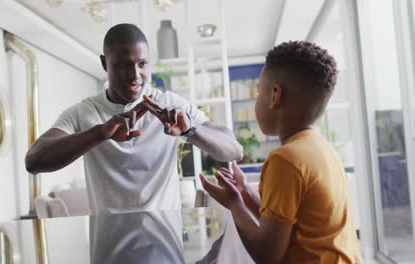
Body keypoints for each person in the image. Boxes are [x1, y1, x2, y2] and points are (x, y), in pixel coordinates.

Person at [25, 23, 242, 214]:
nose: (135, 75)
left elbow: (234, 150)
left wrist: (190, 131)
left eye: (142, 64)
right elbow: (34, 160)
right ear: (104, 63)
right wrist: (100, 133)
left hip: (164, 239)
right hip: (108, 243)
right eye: (123, 65)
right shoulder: (84, 112)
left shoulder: (169, 105)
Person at [200, 41, 362, 263]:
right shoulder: (323, 149)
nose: (257, 98)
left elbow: (268, 256)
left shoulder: (286, 160)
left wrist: (234, 205)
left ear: (275, 95)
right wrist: (246, 195)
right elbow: (287, 226)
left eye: (259, 91)